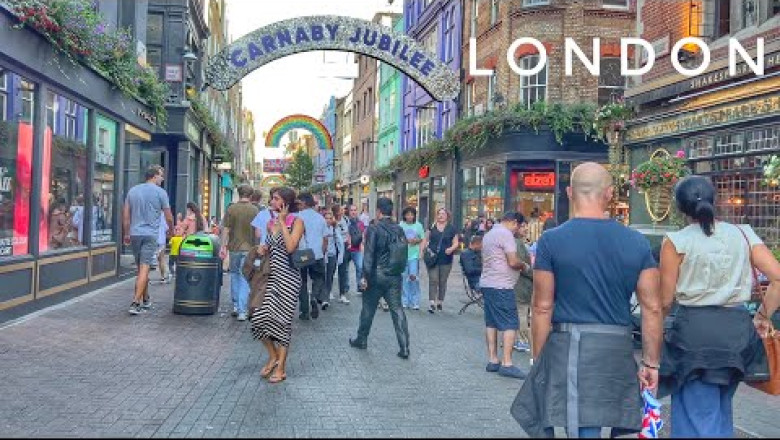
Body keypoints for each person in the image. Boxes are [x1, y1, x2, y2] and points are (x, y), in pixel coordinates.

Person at [511, 162, 663, 438]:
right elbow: (652, 307)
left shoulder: (551, 241)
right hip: (617, 346)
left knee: (581, 426)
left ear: (570, 192)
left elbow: (542, 306)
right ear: (609, 194)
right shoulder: (637, 242)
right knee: (611, 422)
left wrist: (539, 358)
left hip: (571, 345)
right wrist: (651, 362)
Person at [658, 175, 780, 438]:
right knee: (721, 408)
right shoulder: (743, 234)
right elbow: (778, 277)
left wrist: (655, 332)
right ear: (715, 200)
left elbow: (665, 300)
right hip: (737, 332)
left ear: (680, 208)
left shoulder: (676, 242)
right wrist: (761, 316)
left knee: (697, 415)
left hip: (694, 333)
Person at [250, 187, 304, 384]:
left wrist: (282, 222)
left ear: (285, 203)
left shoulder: (297, 222)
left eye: (275, 199)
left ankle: (281, 368)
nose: (272, 202)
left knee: (282, 322)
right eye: (272, 198)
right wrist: (263, 249)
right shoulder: (270, 222)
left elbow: (291, 247)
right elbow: (272, 247)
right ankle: (273, 356)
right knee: (258, 317)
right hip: (271, 276)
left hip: (289, 278)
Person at [349, 197, 410, 359]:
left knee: (368, 309)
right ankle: (404, 347)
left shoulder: (374, 228)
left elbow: (368, 256)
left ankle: (362, 339)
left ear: (378, 211)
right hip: (394, 276)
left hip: (376, 275)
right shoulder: (399, 229)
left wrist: (364, 277)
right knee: (397, 310)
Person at [479, 212, 529, 380]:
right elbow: (513, 262)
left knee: (491, 322)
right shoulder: (506, 235)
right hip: (502, 285)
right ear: (515, 222)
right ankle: (507, 363)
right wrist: (524, 266)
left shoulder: (489, 234)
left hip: (487, 282)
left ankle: (493, 359)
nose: (518, 230)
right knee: (511, 323)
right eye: (519, 226)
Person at [122, 165, 173, 315]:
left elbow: (126, 216)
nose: (162, 179)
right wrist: (171, 229)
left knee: (141, 268)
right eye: (161, 176)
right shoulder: (161, 193)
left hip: (135, 234)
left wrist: (126, 233)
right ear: (154, 176)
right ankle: (135, 302)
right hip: (150, 234)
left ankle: (146, 298)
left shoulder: (133, 191)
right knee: (144, 268)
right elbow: (169, 216)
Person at [221, 184, 259, 322]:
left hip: (234, 247)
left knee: (234, 274)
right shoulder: (255, 210)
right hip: (249, 248)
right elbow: (257, 231)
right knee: (245, 277)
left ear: (239, 194)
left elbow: (226, 229)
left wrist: (223, 246)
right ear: (250, 195)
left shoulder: (231, 209)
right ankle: (243, 310)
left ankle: (236, 306)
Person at [296, 192, 328, 319]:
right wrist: (322, 252)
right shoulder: (320, 218)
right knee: (318, 278)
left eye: (299, 203)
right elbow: (325, 239)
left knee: (302, 282)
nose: (298, 205)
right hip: (317, 254)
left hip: (303, 254)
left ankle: (304, 311)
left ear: (304, 203)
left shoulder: (298, 217)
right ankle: (314, 297)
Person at [421, 208, 459, 313]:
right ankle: (432, 302)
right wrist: (422, 251)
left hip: (446, 259)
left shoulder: (451, 229)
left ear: (447, 216)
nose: (441, 216)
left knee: (442, 281)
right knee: (433, 280)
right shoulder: (432, 227)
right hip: (432, 258)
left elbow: (456, 242)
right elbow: (425, 239)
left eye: (443, 214)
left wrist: (451, 249)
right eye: (439, 214)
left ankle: (440, 301)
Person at [513, 216, 533, 353]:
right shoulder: (517, 243)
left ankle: (514, 339)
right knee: (522, 312)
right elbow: (520, 264)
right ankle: (522, 340)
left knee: (520, 312)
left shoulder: (519, 242)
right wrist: (533, 273)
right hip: (521, 283)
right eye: (523, 226)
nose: (526, 228)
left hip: (519, 283)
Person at [400, 207, 425, 310]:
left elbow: (423, 239)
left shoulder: (418, 225)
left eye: (411, 214)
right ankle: (405, 301)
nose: (409, 216)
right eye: (407, 214)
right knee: (404, 278)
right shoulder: (401, 225)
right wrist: (404, 241)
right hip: (402, 255)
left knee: (413, 277)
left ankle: (415, 301)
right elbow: (397, 239)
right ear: (404, 216)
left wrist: (420, 249)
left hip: (413, 255)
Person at [323, 208, 344, 306]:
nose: (328, 220)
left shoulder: (335, 229)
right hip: (322, 255)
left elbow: (339, 243)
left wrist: (340, 256)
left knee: (329, 276)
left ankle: (326, 296)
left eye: (330, 218)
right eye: (326, 218)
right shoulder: (321, 229)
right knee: (322, 276)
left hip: (332, 256)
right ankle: (323, 295)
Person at [333, 205, 351, 304]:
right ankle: (328, 291)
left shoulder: (345, 220)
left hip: (344, 246)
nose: (343, 211)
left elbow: (348, 232)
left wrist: (349, 242)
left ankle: (342, 294)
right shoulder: (332, 221)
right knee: (330, 270)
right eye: (341, 209)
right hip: (334, 246)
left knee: (343, 270)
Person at [346, 204, 366, 295]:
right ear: (349, 212)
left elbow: (362, 235)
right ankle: (345, 288)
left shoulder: (360, 223)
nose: (353, 212)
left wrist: (362, 246)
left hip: (357, 249)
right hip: (347, 249)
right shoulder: (346, 222)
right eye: (351, 210)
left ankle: (359, 286)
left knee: (360, 267)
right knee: (345, 269)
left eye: (355, 210)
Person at [155, 211, 171, 284]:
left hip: (151, 239)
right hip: (161, 240)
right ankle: (162, 277)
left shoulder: (150, 211)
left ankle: (144, 277)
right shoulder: (163, 214)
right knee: (161, 259)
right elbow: (167, 228)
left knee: (147, 260)